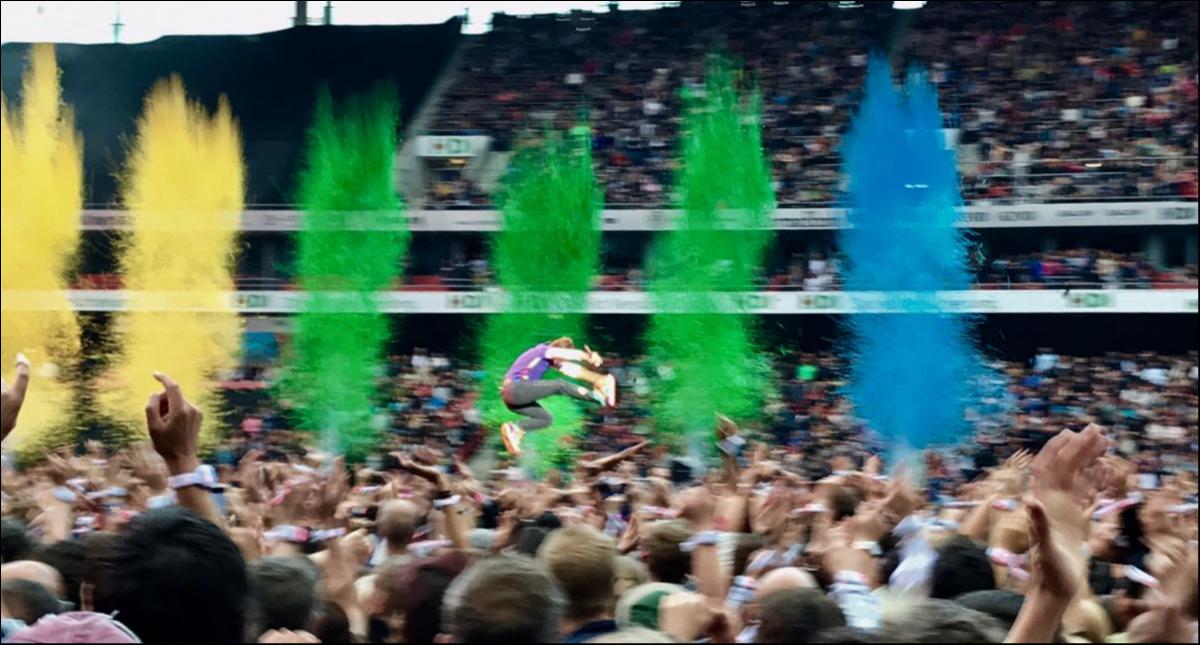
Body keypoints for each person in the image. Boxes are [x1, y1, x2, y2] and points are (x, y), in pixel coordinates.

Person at [499, 337, 617, 455]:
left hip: (512, 400)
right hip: (516, 389)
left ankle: (516, 428)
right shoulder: (544, 350)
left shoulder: (548, 359)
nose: (561, 363)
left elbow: (572, 370)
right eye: (562, 359)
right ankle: (598, 397)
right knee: (559, 385)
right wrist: (587, 356)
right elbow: (565, 354)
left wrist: (597, 378)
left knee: (545, 419)